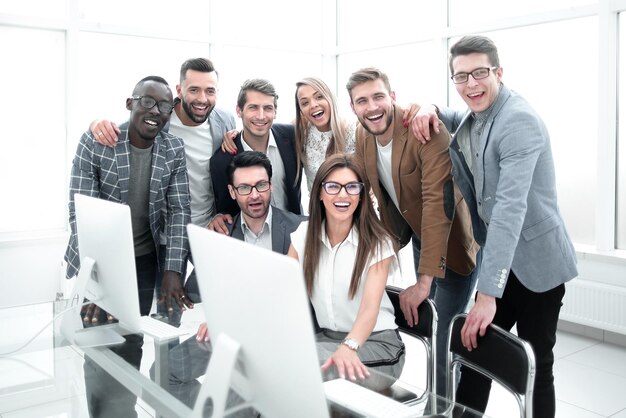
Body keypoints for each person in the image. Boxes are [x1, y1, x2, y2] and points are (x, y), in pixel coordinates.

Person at [411, 35, 578, 417]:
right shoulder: (479, 111)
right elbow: (458, 119)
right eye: (461, 76)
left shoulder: (518, 120)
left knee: (536, 365)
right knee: (472, 352)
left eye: (480, 73)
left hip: (538, 264)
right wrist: (432, 107)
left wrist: (487, 295)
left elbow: (509, 209)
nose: (471, 84)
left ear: (499, 72)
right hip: (502, 260)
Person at [346, 67, 479, 396]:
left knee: (444, 334)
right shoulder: (363, 136)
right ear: (353, 107)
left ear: (392, 97)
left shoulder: (425, 131)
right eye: (362, 101)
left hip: (454, 242)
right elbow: (373, 198)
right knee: (430, 328)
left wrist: (423, 281)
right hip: (418, 235)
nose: (372, 107)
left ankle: (443, 407)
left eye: (378, 96)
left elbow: (438, 205)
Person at [64, 75, 191, 417]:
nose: (156, 111)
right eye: (148, 101)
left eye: (165, 106)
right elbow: (80, 215)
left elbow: (180, 210)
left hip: (145, 261)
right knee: (100, 339)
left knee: (132, 338)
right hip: (98, 261)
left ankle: (123, 410)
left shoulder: (173, 149)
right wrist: (95, 286)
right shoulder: (98, 142)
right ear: (130, 103)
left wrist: (173, 270)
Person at [162, 151, 306, 409]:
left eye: (261, 185)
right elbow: (194, 292)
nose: (254, 195)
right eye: (244, 187)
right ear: (232, 192)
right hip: (229, 336)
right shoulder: (221, 235)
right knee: (164, 372)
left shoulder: (301, 229)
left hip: (280, 340)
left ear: (270, 185)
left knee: (236, 397)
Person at [90, 57, 236, 309]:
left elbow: (233, 166)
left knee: (221, 300)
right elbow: (129, 128)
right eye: (194, 90)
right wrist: (96, 124)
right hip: (166, 234)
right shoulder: (159, 119)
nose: (202, 98)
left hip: (207, 228)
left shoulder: (224, 120)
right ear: (179, 91)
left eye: (210, 91)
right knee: (166, 309)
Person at [288, 153, 405, 385]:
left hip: (376, 345)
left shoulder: (378, 242)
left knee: (299, 370)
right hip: (325, 340)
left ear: (361, 196)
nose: (343, 195)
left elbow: (369, 310)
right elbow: (278, 290)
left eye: (352, 187)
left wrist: (349, 346)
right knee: (270, 360)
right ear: (320, 193)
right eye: (333, 186)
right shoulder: (303, 235)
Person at [209, 78, 302, 234]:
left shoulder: (292, 137)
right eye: (253, 107)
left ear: (275, 112)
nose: (261, 116)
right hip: (252, 241)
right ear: (239, 111)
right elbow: (226, 211)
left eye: (267, 108)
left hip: (295, 233)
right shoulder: (222, 160)